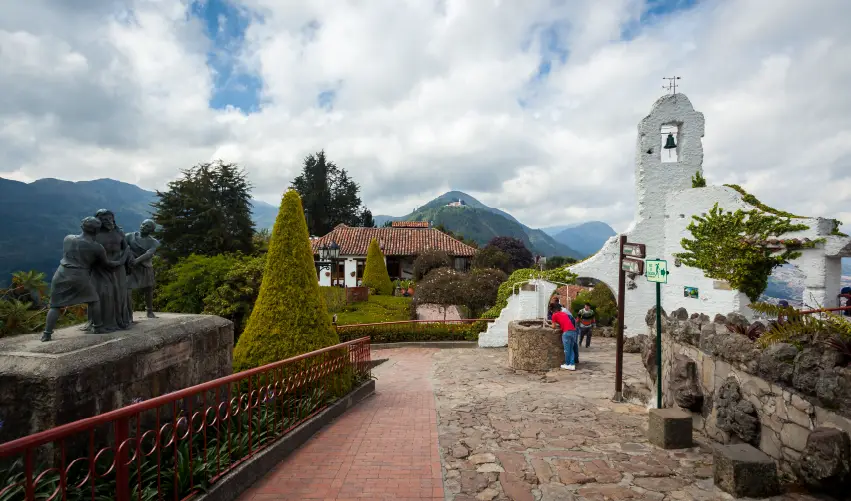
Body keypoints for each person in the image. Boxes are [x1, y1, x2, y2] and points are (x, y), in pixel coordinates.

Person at [42, 217, 125, 341]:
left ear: (82, 227)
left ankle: (47, 334)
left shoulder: (68, 238)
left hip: (61, 274)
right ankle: (98, 327)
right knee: (94, 300)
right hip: (80, 276)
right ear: (97, 231)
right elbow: (107, 264)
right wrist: (122, 260)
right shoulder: (97, 247)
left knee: (55, 306)